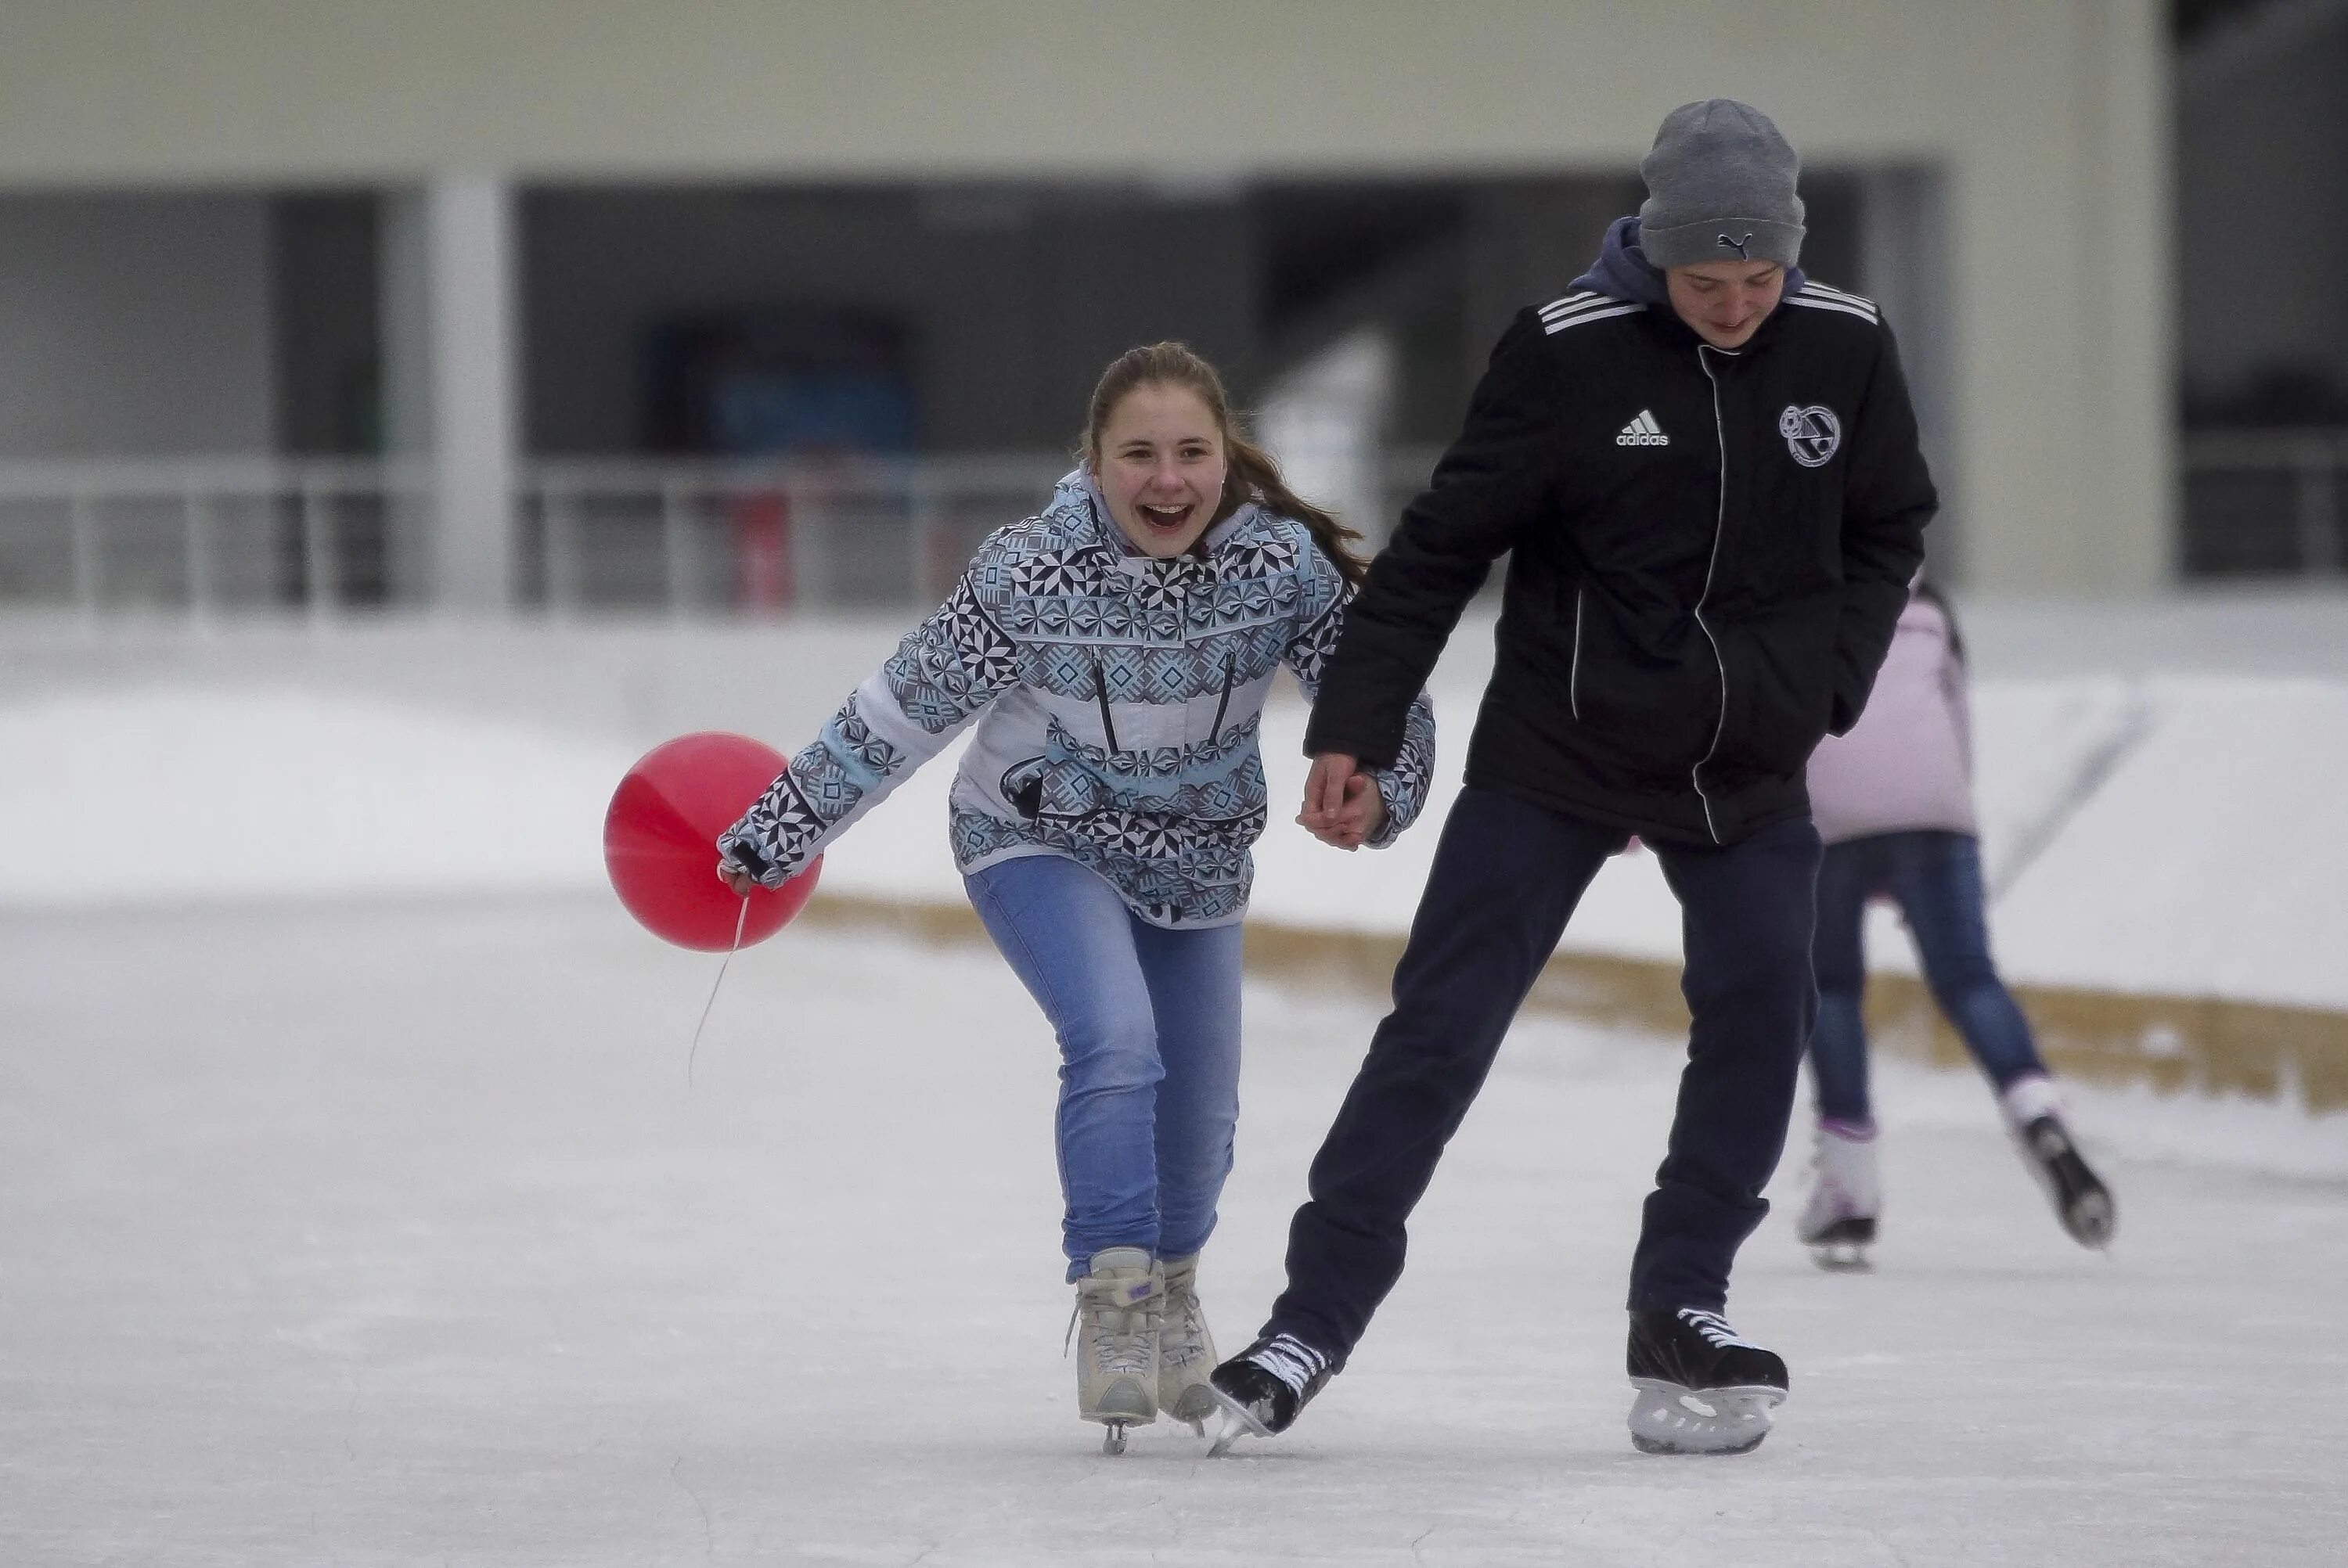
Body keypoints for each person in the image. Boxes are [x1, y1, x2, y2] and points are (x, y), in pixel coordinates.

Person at [1205, 99, 1936, 1458]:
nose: (1733, 306)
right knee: (1442, 1023)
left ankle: (1684, 1301)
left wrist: (1827, 678)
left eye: (1758, 279)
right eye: (1704, 281)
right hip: (1565, 742)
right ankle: (1313, 1314)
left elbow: (1893, 519)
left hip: (1750, 758)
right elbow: (1435, 553)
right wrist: (1349, 728)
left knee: (1762, 1007)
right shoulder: (1567, 353)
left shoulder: (1846, 342)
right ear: (1652, 254)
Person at [712, 343, 1435, 1454]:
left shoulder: (1278, 567)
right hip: (1033, 836)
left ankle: (1175, 1282)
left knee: (1200, 1124)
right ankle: (1115, 1304)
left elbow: (1383, 685)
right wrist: (784, 822)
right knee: (1115, 1041)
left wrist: (1379, 787)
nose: (1167, 480)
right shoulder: (1028, 569)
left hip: (1196, 865)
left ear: (1224, 458)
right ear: (1094, 465)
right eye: (1137, 454)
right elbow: (898, 711)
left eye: (1191, 452)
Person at [1795, 581, 2116, 1268]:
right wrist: (1931, 835)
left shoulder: (1789, 589)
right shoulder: (1930, 610)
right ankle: (2038, 1114)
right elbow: (1955, 724)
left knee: (1831, 987)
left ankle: (1850, 1188)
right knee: (1969, 978)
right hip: (1936, 811)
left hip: (1830, 812)